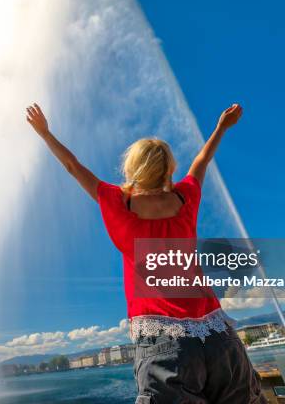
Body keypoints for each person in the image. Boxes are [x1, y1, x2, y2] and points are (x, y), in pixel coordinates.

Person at [26, 103, 266, 404]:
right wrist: (221, 128)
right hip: (218, 336)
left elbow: (73, 166)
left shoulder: (117, 204)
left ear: (132, 169)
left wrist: (46, 134)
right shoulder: (185, 198)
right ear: (170, 170)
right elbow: (201, 162)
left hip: (164, 343)